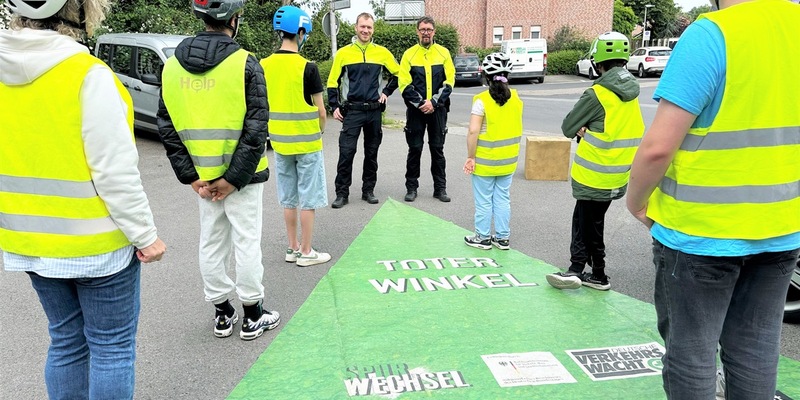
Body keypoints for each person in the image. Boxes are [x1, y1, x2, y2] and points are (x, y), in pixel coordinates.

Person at [625, 0, 800, 398]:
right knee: (755, 349)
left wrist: (636, 201)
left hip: (700, 232)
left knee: (692, 354)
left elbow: (657, 148)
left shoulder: (713, 34)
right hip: (783, 227)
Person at [0, 0, 167, 396]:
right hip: (99, 248)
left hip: (30, 243)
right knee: (111, 348)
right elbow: (114, 172)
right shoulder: (88, 75)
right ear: (78, 13)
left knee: (66, 341)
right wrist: (145, 236)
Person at [157, 0, 280, 341]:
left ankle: (223, 313)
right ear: (234, 19)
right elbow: (256, 130)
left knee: (211, 243)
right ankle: (253, 314)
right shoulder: (245, 64)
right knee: (246, 242)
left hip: (203, 180)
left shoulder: (171, 66)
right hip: (243, 178)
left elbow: (166, 127)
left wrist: (192, 176)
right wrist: (233, 179)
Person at [545, 31, 644, 291]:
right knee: (584, 218)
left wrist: (583, 127)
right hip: (618, 173)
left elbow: (568, 127)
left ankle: (598, 274)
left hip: (594, 173)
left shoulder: (597, 93)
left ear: (598, 61)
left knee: (590, 223)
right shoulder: (631, 92)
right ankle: (577, 267)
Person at [261, 6, 331, 267]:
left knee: (288, 198)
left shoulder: (264, 65)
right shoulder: (308, 67)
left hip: (279, 143)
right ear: (300, 32)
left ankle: (291, 249)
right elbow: (321, 111)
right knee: (308, 199)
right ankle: (307, 251)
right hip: (308, 142)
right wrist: (321, 129)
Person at [327, 12, 400, 208]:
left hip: (374, 111)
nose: (365, 30)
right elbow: (332, 81)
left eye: (369, 27)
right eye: (362, 27)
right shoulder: (343, 53)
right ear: (356, 28)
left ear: (373, 29)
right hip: (352, 111)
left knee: (371, 152)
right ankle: (342, 193)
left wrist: (386, 91)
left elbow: (399, 74)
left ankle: (368, 190)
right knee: (346, 152)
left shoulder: (382, 52)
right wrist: (334, 106)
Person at [462, 53, 523, 250]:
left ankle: (482, 237)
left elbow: (473, 131)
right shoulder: (516, 98)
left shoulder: (481, 100)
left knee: (484, 200)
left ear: (486, 75)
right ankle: (503, 238)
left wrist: (470, 157)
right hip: (509, 160)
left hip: (486, 161)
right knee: (503, 198)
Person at [399, 15, 456, 203]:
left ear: (434, 32)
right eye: (422, 29)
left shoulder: (443, 53)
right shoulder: (409, 54)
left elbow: (449, 82)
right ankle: (411, 188)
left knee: (437, 149)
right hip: (416, 111)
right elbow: (404, 84)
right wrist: (422, 103)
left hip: (438, 110)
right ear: (417, 31)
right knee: (414, 149)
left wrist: (433, 102)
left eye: (429, 30)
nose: (426, 33)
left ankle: (440, 189)